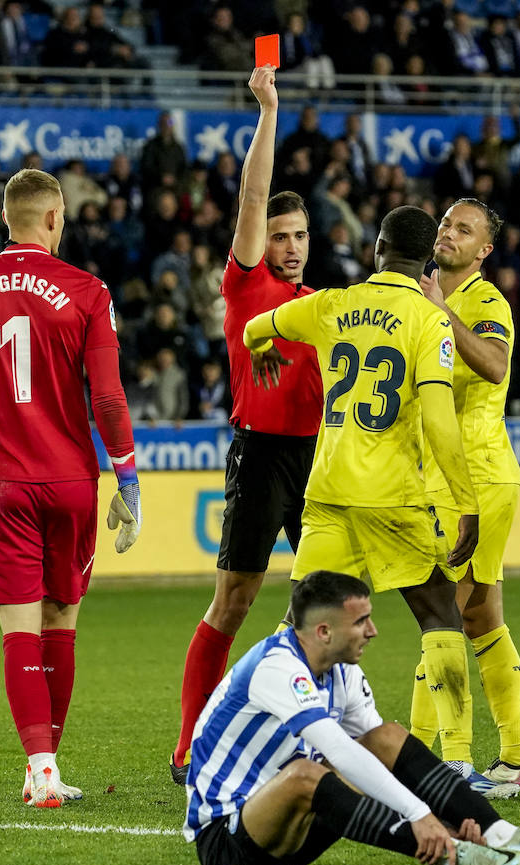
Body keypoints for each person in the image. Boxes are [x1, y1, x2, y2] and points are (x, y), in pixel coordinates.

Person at [243, 205, 502, 802]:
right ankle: (457, 764)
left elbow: (260, 326)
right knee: (440, 613)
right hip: (393, 497)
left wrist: (261, 351)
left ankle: (271, 751)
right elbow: (438, 419)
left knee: (298, 630)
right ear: (425, 260)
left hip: (328, 493)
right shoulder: (427, 318)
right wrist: (465, 500)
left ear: (378, 249)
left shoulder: (331, 304)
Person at [0, 168, 142, 808]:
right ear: (55, 218)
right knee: (62, 622)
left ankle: (42, 768)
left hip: (6, 480)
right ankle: (46, 766)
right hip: (72, 480)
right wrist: (127, 477)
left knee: (19, 630)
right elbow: (106, 396)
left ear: (7, 218)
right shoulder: (87, 291)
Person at [184, 570, 520, 865]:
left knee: (387, 737)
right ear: (324, 631)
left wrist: (443, 816)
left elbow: (381, 761)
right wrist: (420, 816)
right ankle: (456, 855)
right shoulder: (276, 667)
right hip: (228, 836)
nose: (373, 631)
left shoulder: (343, 672)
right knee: (304, 774)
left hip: (298, 825)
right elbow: (338, 752)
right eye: (361, 621)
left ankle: (499, 833)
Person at [170, 65, 323, 786]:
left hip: (319, 461)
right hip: (261, 455)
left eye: (300, 235)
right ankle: (188, 745)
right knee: (234, 599)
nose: (290, 245)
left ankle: (311, 734)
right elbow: (254, 193)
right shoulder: (247, 281)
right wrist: (270, 111)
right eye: (281, 234)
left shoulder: (324, 305)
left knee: (328, 602)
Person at [410, 198, 520, 789]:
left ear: (484, 250)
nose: (449, 234)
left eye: (464, 230)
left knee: (441, 614)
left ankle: (419, 759)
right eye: (445, 224)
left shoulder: (486, 302)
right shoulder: (423, 294)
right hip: (446, 475)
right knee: (481, 616)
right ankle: (516, 757)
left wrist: (440, 314)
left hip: (477, 476)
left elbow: (494, 364)